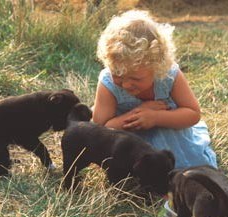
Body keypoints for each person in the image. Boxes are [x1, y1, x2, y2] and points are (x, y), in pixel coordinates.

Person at [93, 10, 217, 170]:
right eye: (118, 75)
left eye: (135, 78)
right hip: (129, 141)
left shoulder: (169, 76)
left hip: (170, 133)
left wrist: (156, 117)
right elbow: (100, 130)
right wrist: (137, 114)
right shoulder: (108, 83)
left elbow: (192, 114)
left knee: (189, 169)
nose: (125, 85)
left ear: (157, 68)